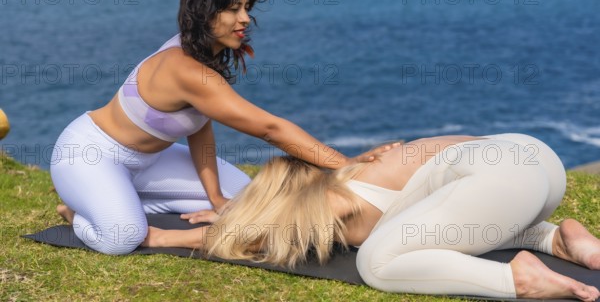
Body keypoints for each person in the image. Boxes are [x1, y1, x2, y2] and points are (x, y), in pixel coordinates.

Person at [50, 0, 387, 255]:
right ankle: (79, 214)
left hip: (148, 162)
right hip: (88, 154)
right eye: (232, 8)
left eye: (246, 8)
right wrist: (345, 165)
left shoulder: (202, 54)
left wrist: (215, 199)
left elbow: (199, 126)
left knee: (244, 199)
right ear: (204, 11)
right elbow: (270, 129)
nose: (245, 19)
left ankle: (122, 199)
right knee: (124, 237)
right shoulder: (185, 69)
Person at [143, 133, 600, 301]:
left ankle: (518, 280)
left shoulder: (329, 201)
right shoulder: (355, 173)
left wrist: (163, 240)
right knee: (444, 230)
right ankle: (557, 240)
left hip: (501, 176)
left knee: (376, 262)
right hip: (535, 162)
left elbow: (257, 240)